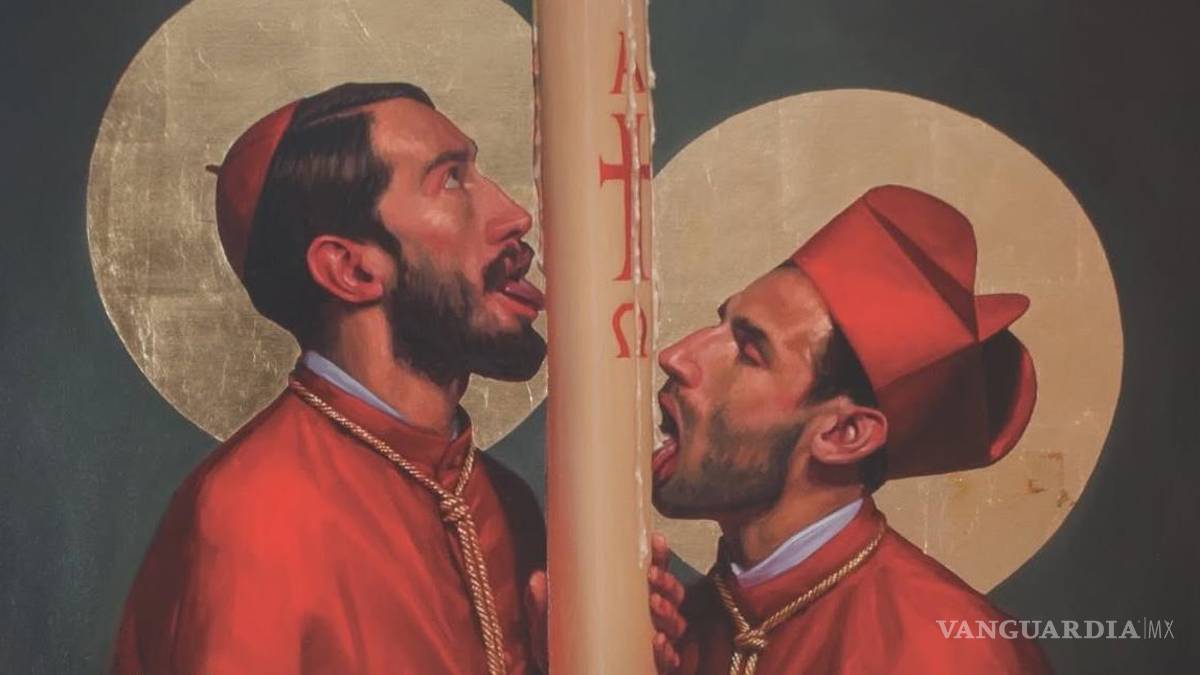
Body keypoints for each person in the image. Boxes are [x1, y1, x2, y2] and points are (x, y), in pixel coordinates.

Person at [111, 82, 685, 674]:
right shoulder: (252, 515)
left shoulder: (502, 500)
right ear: (351, 269)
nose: (516, 216)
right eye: (451, 181)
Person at [652, 185, 1053, 674]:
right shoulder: (676, 631)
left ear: (844, 434)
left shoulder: (952, 656)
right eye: (720, 325)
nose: (676, 355)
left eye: (748, 351)